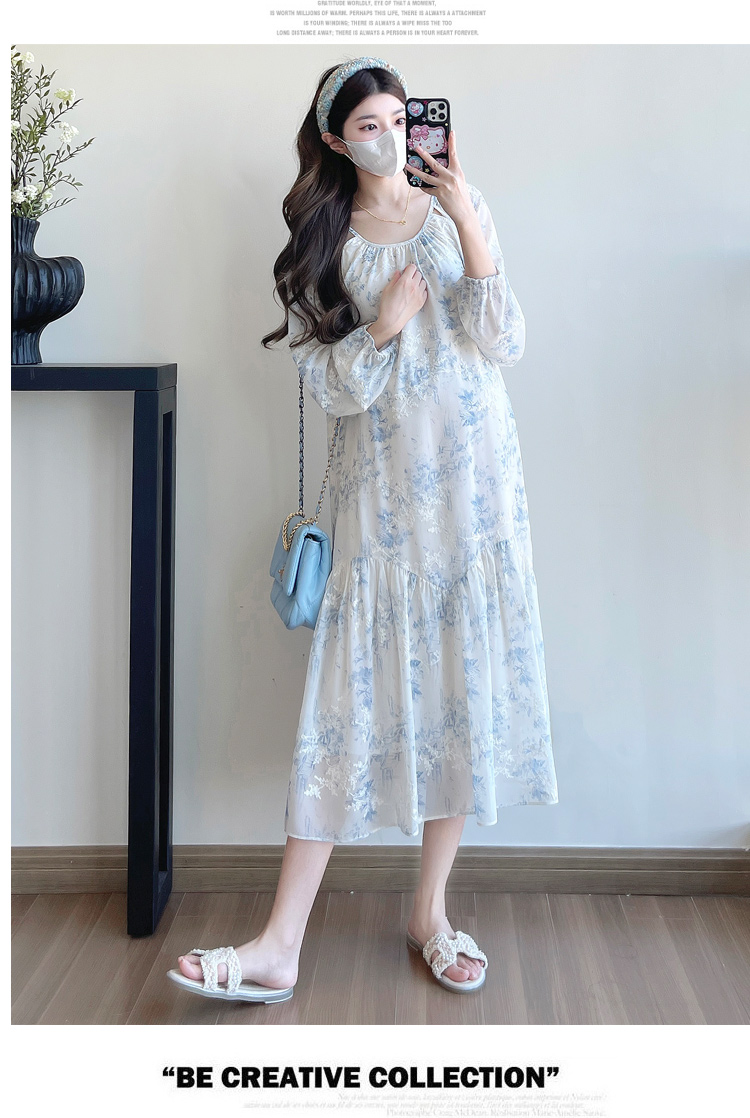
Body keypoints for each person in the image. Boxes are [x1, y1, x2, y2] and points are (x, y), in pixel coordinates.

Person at [168, 56, 558, 1005]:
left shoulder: (464, 209)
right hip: (382, 501)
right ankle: (278, 944)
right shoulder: (326, 239)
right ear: (336, 140)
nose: (388, 136)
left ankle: (430, 913)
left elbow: (505, 341)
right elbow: (326, 389)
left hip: (476, 486)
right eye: (369, 124)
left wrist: (466, 220)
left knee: (458, 683)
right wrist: (382, 326)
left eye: (398, 117)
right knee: (341, 711)